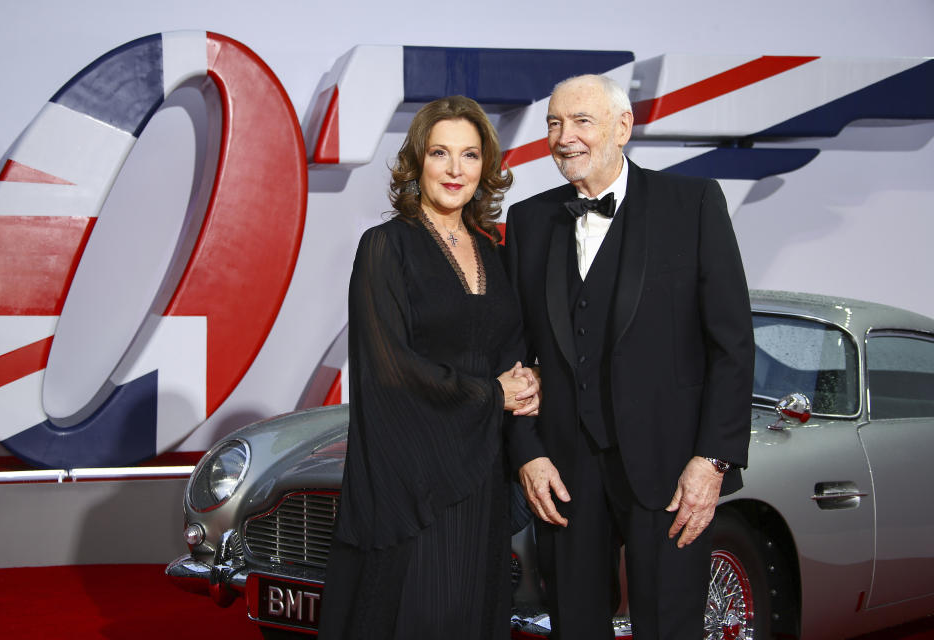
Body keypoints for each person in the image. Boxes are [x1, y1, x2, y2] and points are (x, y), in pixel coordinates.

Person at [503, 74, 754, 639]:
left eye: (581, 122)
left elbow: (732, 345)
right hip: (564, 475)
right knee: (574, 627)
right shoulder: (528, 220)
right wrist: (527, 454)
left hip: (670, 472)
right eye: (553, 123)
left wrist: (711, 461)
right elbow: (512, 357)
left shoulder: (692, 204)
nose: (564, 137)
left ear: (623, 127)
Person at [319, 95, 539, 640]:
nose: (455, 169)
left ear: (485, 166)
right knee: (418, 614)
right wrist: (494, 394)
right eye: (441, 153)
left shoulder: (495, 252)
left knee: (471, 613)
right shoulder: (385, 248)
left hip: (479, 473)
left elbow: (511, 348)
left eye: (469, 155)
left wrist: (527, 385)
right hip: (411, 480)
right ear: (417, 162)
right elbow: (388, 369)